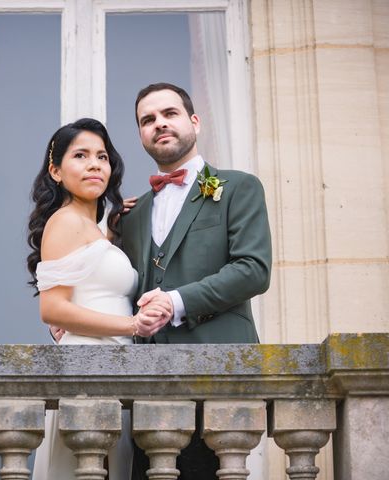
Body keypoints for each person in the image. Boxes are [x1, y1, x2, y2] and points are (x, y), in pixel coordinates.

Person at [120, 83, 272, 480]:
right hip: (146, 385)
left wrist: (175, 301)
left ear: (194, 121)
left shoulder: (239, 187)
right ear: (140, 135)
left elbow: (253, 268)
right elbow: (124, 290)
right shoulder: (132, 216)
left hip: (219, 369)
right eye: (147, 120)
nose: (159, 124)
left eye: (169, 113)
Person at [26, 118, 171, 480]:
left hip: (113, 363)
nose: (94, 164)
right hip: (87, 365)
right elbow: (52, 308)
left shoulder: (93, 228)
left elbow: (92, 281)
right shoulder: (64, 222)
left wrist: (110, 231)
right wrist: (133, 325)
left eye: (102, 156)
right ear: (56, 171)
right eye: (80, 155)